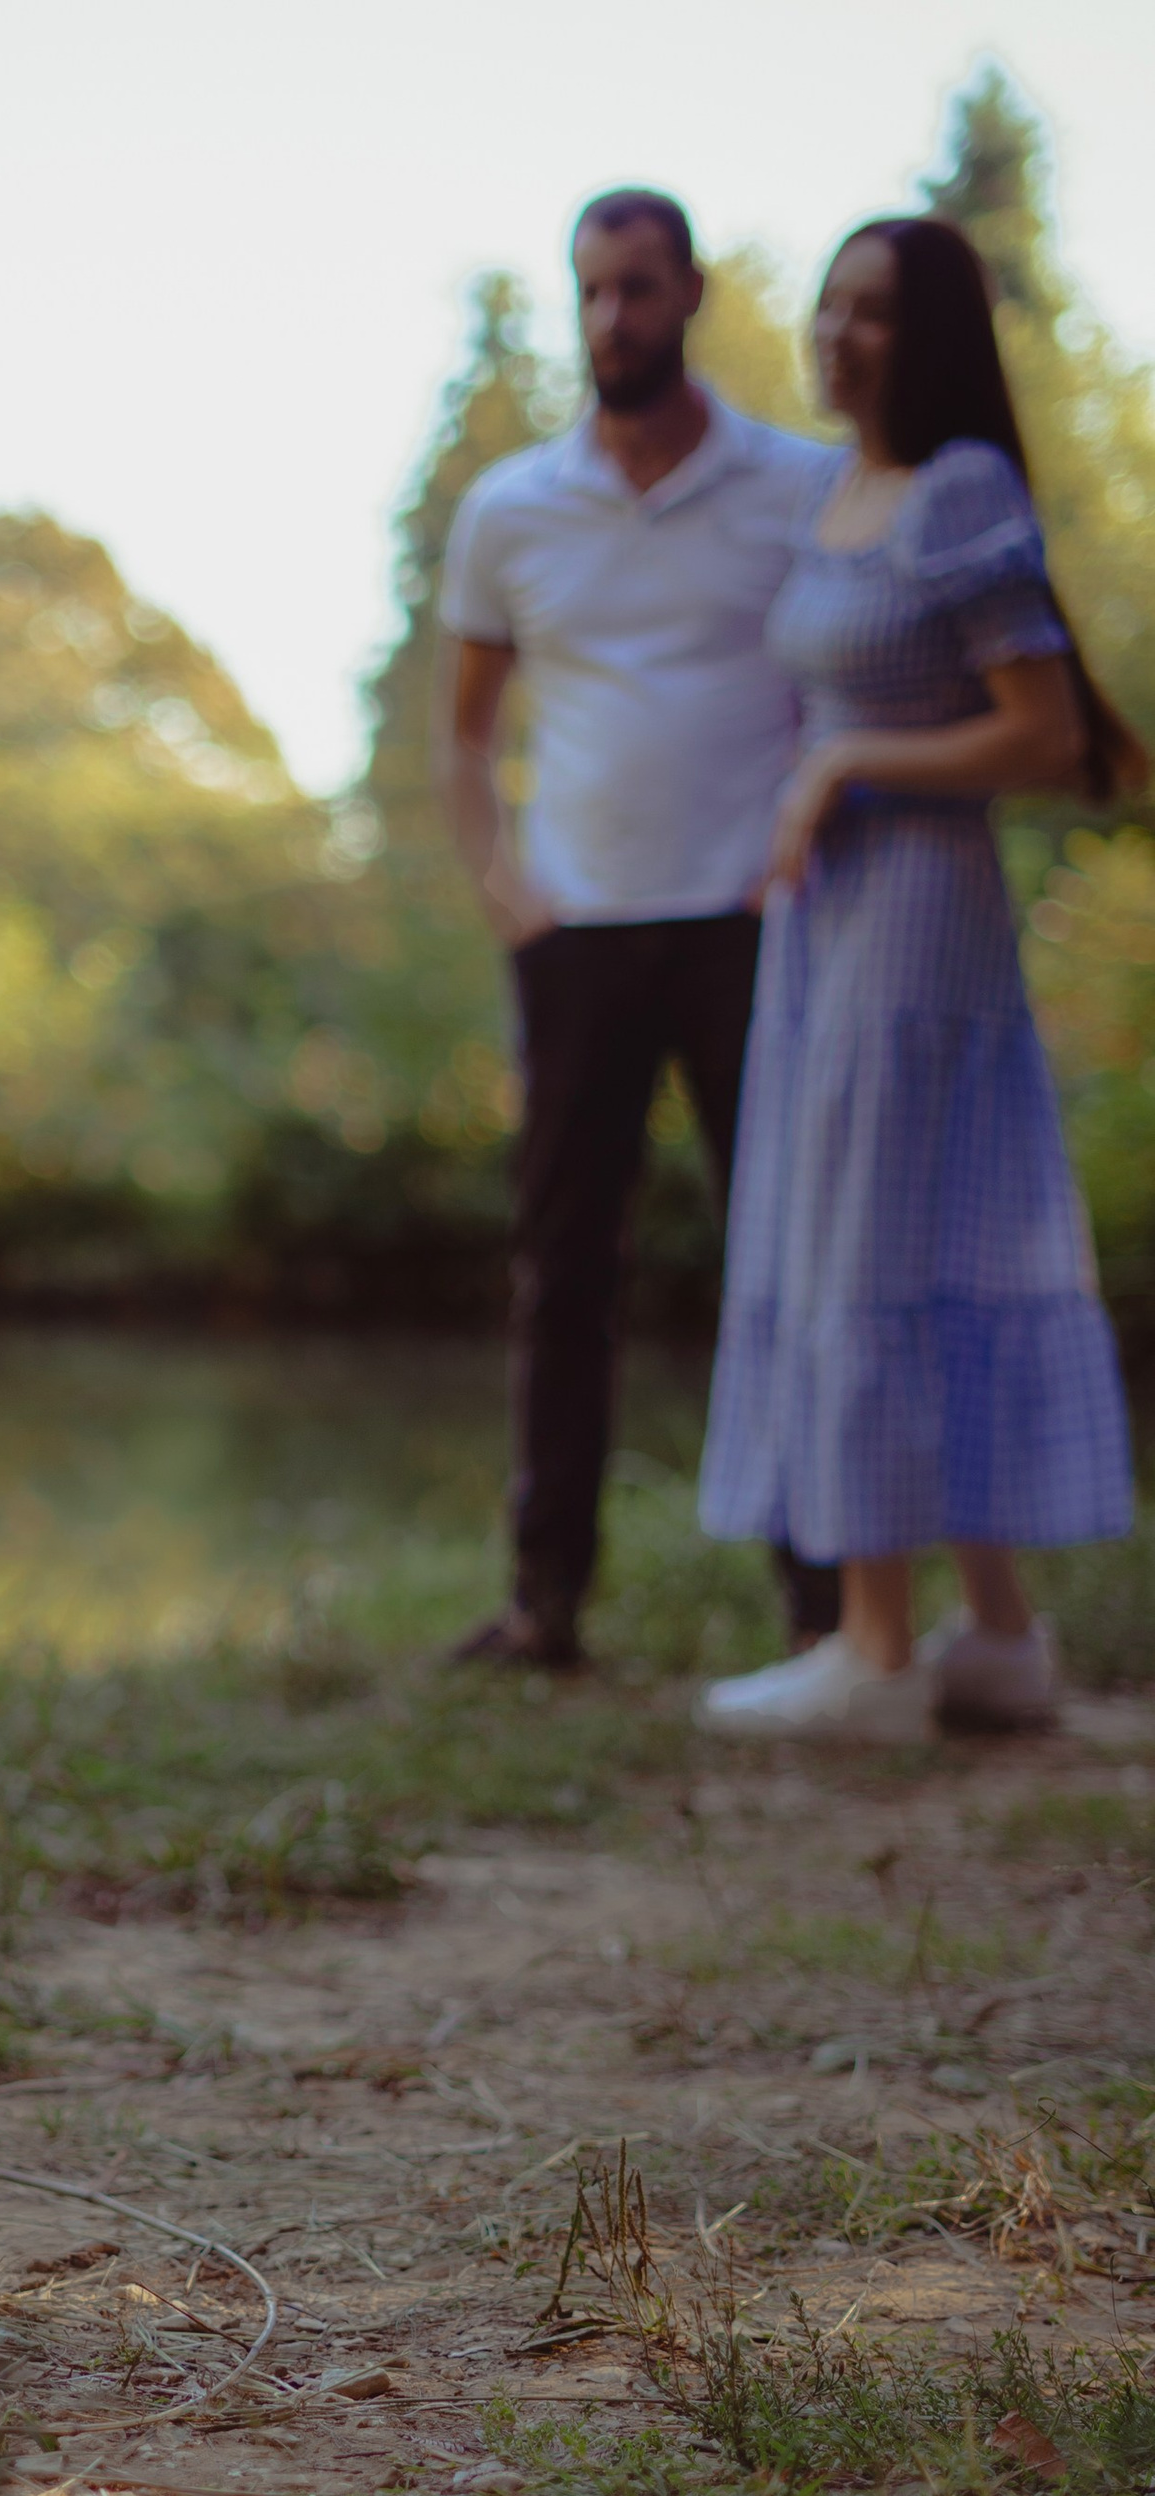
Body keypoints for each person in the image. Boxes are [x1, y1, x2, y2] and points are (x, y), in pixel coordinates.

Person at [696, 216, 1141, 1741]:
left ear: (933, 335)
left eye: (874, 312)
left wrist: (848, 768)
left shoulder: (958, 491)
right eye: (830, 305)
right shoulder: (840, 492)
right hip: (829, 930)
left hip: (915, 924)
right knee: (905, 1249)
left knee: (872, 1256)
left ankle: (876, 1652)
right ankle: (998, 1641)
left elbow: (1048, 735)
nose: (838, 334)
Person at [438, 189, 843, 1671]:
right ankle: (545, 1602)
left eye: (638, 289)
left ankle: (825, 1603)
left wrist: (801, 854)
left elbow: (847, 691)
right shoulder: (511, 509)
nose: (612, 318)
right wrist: (507, 891)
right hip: (581, 939)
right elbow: (464, 736)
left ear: (692, 296)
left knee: (787, 1261)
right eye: (592, 291)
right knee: (564, 1271)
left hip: (755, 932)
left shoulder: (801, 487)